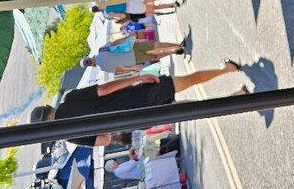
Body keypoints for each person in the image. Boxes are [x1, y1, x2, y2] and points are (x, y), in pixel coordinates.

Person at [29, 60, 246, 147]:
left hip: (138, 118)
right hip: (139, 95)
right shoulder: (71, 98)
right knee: (189, 80)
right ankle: (228, 69)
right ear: (49, 107)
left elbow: (104, 141)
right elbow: (104, 89)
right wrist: (138, 78)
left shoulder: (71, 136)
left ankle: (237, 98)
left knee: (192, 109)